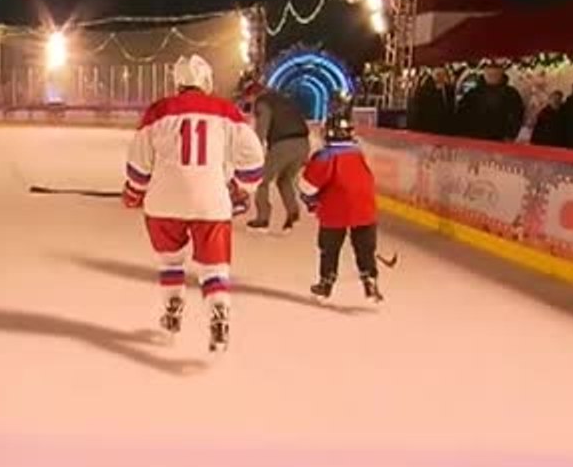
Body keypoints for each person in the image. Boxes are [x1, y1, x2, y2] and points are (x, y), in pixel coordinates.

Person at [122, 54, 265, 354]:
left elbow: (139, 165)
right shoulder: (226, 111)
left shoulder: (158, 111)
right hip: (210, 202)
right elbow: (253, 157)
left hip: (163, 202)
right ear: (206, 81)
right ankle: (219, 312)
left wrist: (134, 192)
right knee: (214, 269)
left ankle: (173, 305)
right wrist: (241, 188)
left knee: (171, 261)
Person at [297, 111, 383, 304]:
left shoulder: (325, 156)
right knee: (365, 247)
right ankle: (370, 280)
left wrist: (309, 199)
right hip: (365, 207)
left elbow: (307, 185)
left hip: (335, 209)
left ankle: (326, 282)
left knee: (329, 246)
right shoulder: (358, 153)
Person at [247, 84, 310, 233]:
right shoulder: (283, 100)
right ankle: (293, 212)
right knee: (285, 179)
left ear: (254, 95)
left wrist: (254, 147)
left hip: (283, 144)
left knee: (261, 180)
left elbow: (263, 126)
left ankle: (263, 218)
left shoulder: (263, 102)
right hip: (303, 143)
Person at [456, 63, 525, 142]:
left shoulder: (512, 94)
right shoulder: (472, 94)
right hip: (475, 142)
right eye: (489, 71)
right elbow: (462, 118)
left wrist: (510, 136)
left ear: (502, 71)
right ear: (484, 71)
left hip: (500, 143)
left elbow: (517, 117)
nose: (492, 74)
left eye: (495, 72)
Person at [408, 68, 456, 135]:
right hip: (429, 127)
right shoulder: (426, 89)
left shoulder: (448, 89)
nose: (441, 77)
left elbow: (450, 106)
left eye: (443, 75)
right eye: (438, 75)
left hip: (444, 129)